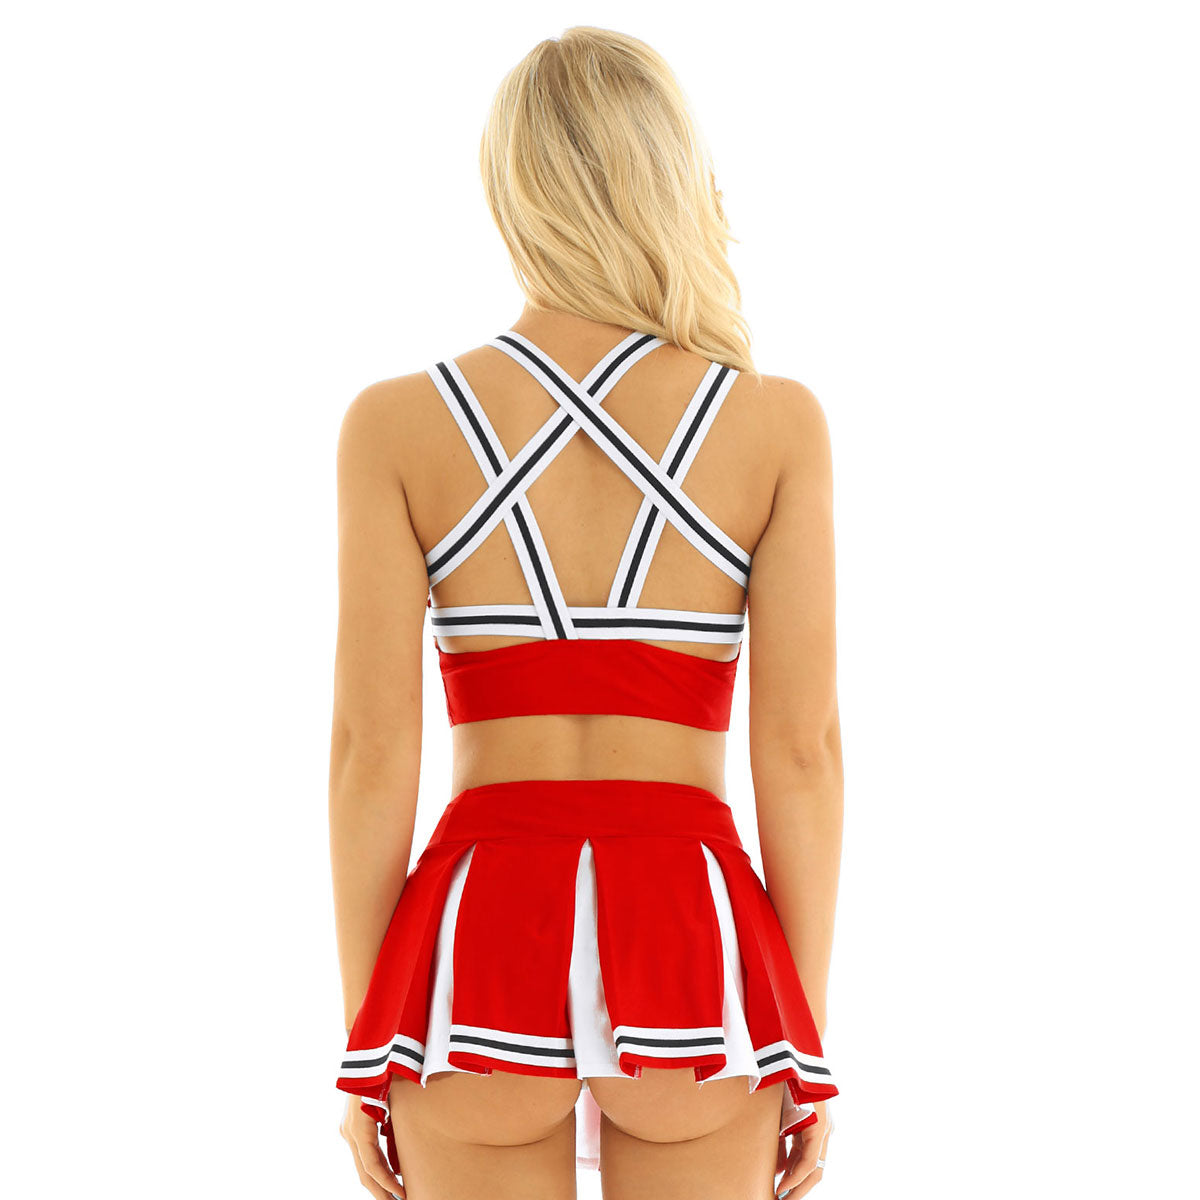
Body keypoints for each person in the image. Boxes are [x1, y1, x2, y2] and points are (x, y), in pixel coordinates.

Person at [329, 26, 843, 1200]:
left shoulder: (394, 426)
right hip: (691, 942)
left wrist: (371, 1044)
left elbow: (370, 755)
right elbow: (803, 754)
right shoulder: (775, 425)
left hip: (477, 945)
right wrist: (799, 1043)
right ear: (671, 176)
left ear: (511, 187)